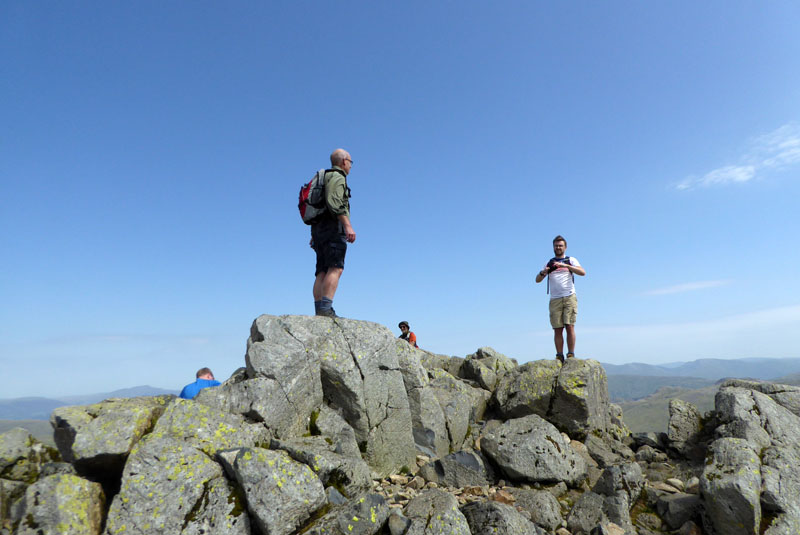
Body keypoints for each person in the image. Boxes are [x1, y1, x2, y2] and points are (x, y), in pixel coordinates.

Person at [311, 148, 356, 317]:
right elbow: (335, 203)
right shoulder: (337, 177)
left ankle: (319, 309)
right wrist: (347, 225)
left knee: (322, 270)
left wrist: (314, 234)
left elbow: (320, 206)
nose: (351, 166)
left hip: (318, 229)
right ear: (344, 161)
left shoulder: (324, 178)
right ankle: (326, 309)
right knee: (335, 268)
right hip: (332, 229)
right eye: (350, 162)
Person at [534, 235, 586, 363]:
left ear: (565, 247)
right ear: (553, 247)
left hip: (569, 296)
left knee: (570, 326)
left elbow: (582, 272)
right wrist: (544, 272)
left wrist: (566, 266)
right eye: (556, 246)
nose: (558, 248)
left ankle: (571, 354)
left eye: (560, 245)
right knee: (557, 329)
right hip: (555, 299)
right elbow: (537, 280)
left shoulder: (570, 260)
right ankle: (559, 355)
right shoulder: (549, 262)